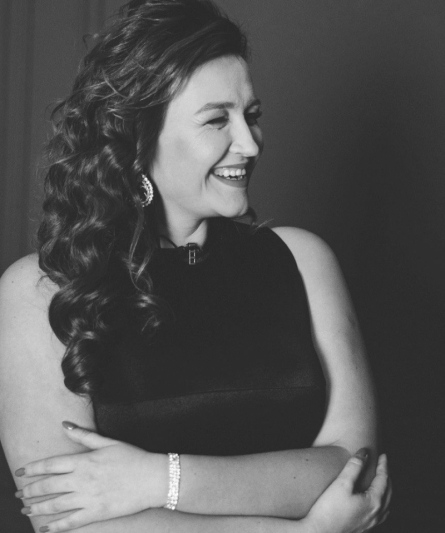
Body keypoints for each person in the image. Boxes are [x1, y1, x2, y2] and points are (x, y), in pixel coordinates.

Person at [0, 0, 391, 532]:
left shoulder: (303, 260)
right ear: (137, 141)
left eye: (252, 115)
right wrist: (307, 531)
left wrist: (155, 478)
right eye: (216, 120)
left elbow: (353, 467)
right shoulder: (40, 292)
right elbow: (70, 522)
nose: (249, 144)